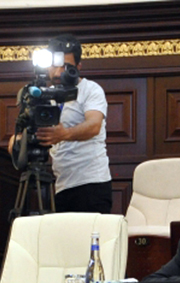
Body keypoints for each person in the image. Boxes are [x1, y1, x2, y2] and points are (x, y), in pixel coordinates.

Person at [35, 34, 113, 214]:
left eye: (66, 66)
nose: (58, 72)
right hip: (62, 186)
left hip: (92, 184)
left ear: (78, 67)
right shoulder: (45, 95)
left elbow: (94, 125)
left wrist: (64, 134)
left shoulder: (91, 89)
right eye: (54, 65)